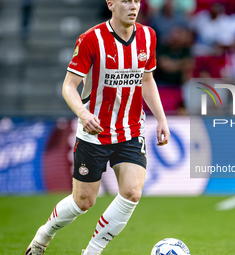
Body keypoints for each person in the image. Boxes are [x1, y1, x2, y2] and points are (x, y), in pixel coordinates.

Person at [25, 0, 170, 254]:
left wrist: (161, 118)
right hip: (95, 133)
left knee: (132, 192)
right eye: (126, 0)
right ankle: (42, 236)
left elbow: (147, 79)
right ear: (111, 4)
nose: (133, 6)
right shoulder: (91, 39)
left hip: (131, 130)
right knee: (83, 202)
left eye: (136, 0)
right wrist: (83, 113)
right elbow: (69, 86)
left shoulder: (148, 36)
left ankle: (92, 251)